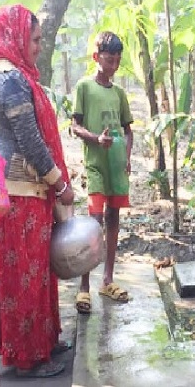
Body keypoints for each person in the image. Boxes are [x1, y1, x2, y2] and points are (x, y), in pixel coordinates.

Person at [0, 4, 74, 378]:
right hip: (23, 193)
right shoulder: (11, 81)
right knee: (27, 277)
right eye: (34, 39)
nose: (38, 47)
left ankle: (44, 340)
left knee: (38, 274)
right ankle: (29, 357)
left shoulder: (17, 77)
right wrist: (60, 183)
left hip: (28, 193)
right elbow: (30, 141)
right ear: (18, 37)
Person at [71, 31, 133, 313]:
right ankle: (84, 287)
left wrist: (127, 157)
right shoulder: (84, 87)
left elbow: (128, 130)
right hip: (95, 164)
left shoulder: (119, 93)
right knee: (94, 222)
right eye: (109, 60)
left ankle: (107, 279)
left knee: (113, 218)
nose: (113, 66)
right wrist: (96, 139)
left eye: (117, 61)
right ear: (96, 58)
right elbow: (75, 126)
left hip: (116, 167)